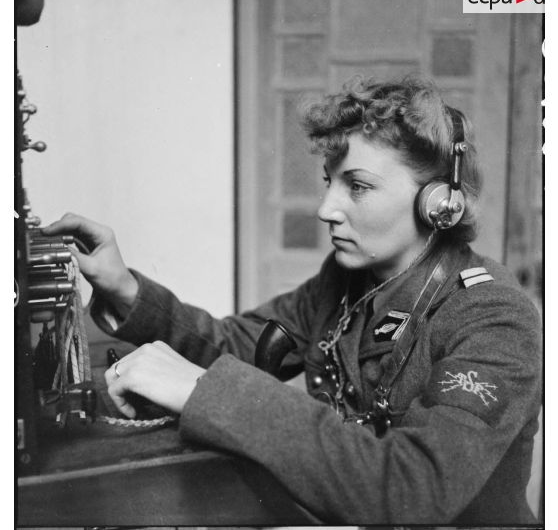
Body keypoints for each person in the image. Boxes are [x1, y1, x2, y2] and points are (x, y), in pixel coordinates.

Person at [43, 76, 541, 525]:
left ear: (440, 204)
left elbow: (413, 488)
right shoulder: (347, 279)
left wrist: (201, 389)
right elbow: (238, 343)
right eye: (330, 182)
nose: (327, 209)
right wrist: (124, 288)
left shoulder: (496, 318)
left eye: (359, 187)